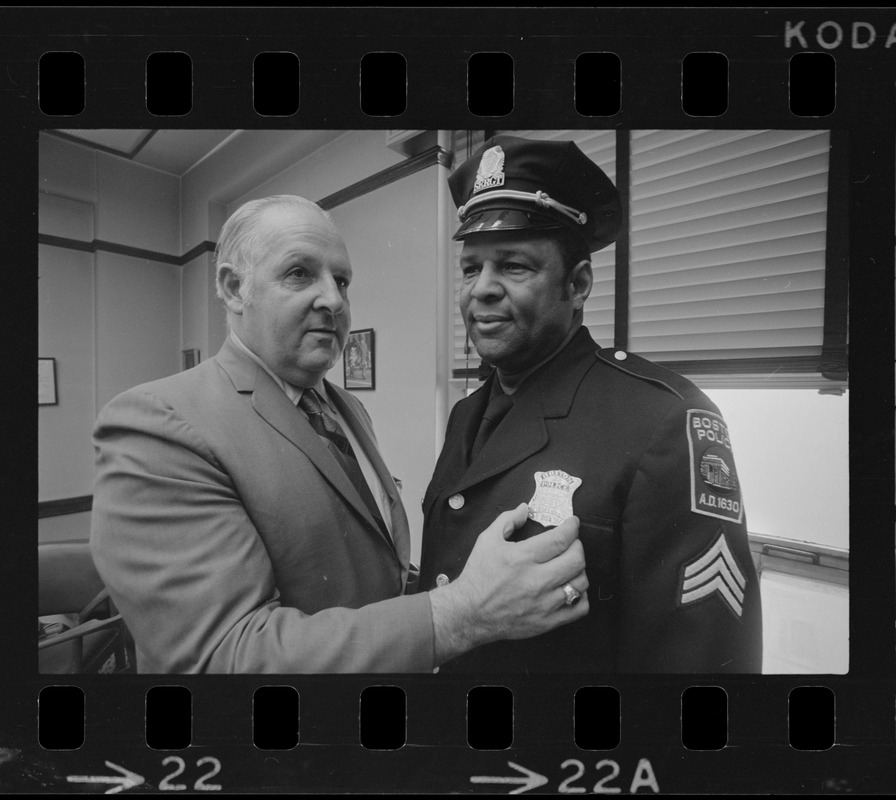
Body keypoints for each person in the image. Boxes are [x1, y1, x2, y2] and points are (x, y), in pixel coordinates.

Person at [90, 194, 589, 674]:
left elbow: (376, 574)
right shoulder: (159, 424)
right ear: (234, 288)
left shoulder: (344, 408)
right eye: (299, 273)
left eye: (343, 281)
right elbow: (221, 656)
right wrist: (458, 614)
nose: (332, 299)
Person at [419, 136, 763, 672]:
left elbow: (701, 665)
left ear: (577, 284)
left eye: (513, 266)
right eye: (470, 268)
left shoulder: (662, 419)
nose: (480, 290)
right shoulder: (468, 414)